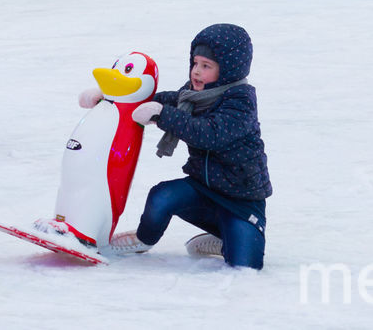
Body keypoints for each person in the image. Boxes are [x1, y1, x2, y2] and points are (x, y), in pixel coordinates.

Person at [98, 24, 272, 269]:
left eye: (206, 66)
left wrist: (162, 115)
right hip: (203, 188)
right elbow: (161, 100)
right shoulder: (194, 93)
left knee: (246, 268)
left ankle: (227, 240)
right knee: (162, 196)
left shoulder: (240, 101)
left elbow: (210, 134)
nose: (196, 72)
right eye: (195, 63)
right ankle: (143, 238)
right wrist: (109, 97)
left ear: (228, 70)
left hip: (241, 202)